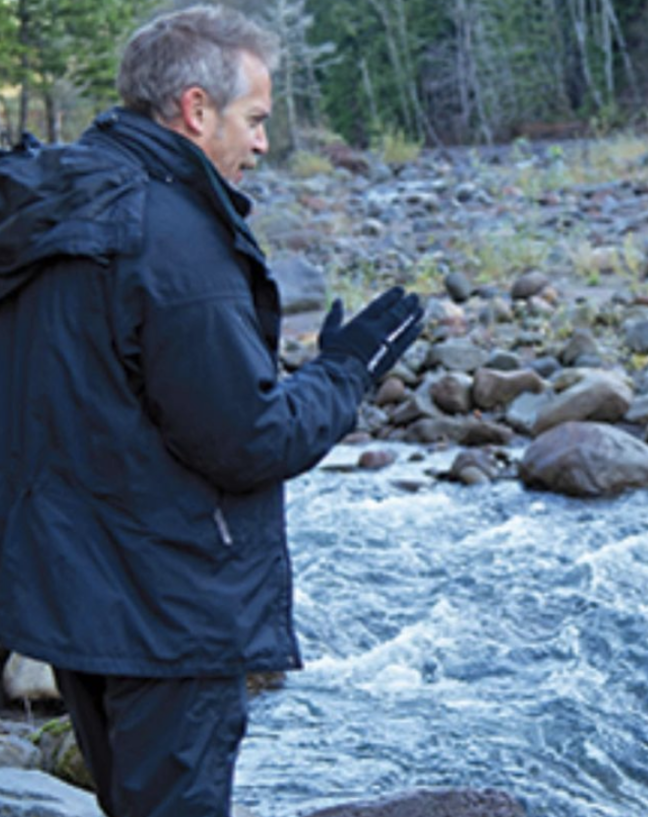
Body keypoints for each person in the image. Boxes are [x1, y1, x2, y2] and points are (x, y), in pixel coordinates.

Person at [0, 5, 422, 816]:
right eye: (255, 119)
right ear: (196, 110)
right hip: (167, 608)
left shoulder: (56, 208)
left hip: (76, 597)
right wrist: (348, 371)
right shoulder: (174, 239)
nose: (262, 142)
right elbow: (248, 439)